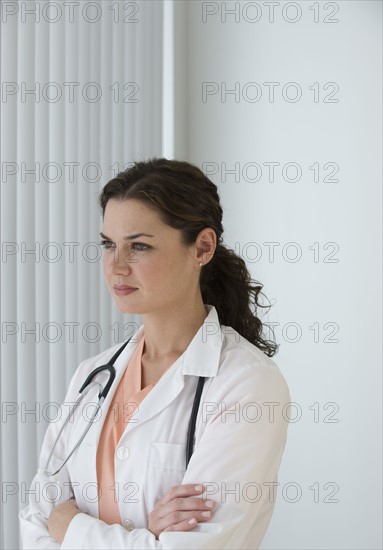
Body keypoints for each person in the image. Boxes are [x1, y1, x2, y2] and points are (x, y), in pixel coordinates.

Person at [19, 158, 290, 549]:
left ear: (202, 248)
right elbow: (35, 522)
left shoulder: (247, 384)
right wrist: (146, 534)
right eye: (108, 244)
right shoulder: (93, 375)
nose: (117, 266)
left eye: (139, 246)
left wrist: (70, 526)